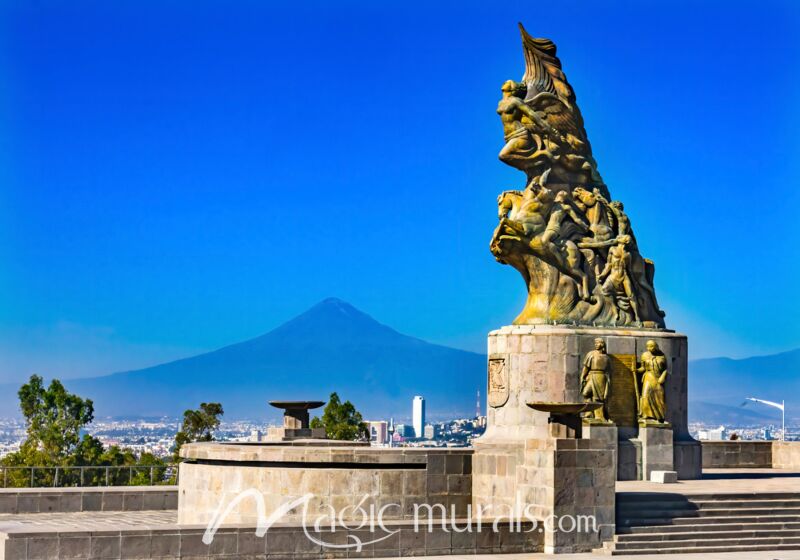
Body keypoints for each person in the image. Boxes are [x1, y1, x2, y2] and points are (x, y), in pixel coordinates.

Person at [638, 340, 668, 423]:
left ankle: (660, 417)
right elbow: (643, 368)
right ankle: (647, 416)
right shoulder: (644, 355)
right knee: (645, 395)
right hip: (648, 377)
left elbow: (665, 369)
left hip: (658, 378)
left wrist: (662, 377)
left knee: (660, 397)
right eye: (648, 346)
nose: (649, 348)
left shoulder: (661, 356)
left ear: (656, 346)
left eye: (651, 346)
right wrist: (636, 370)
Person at [581, 338, 611, 421]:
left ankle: (599, 416)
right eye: (595, 343)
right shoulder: (591, 354)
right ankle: (589, 411)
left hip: (601, 377)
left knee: (598, 397)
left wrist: (608, 382)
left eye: (598, 343)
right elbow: (586, 367)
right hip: (592, 376)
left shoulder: (607, 358)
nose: (596, 345)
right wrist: (583, 376)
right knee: (585, 393)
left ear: (602, 344)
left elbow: (609, 371)